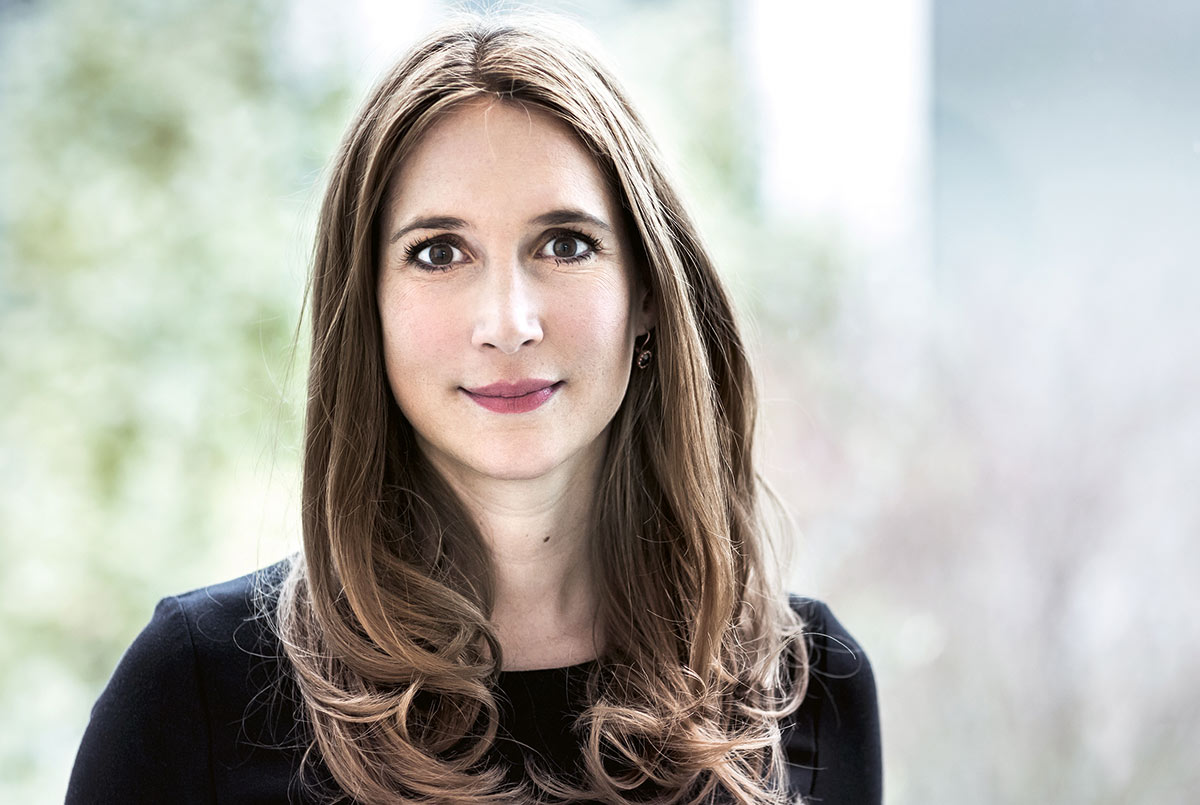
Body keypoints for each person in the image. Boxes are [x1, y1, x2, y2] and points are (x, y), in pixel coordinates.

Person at [66, 13, 881, 804]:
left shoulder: (808, 686)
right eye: (438, 252)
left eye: (565, 243)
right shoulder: (193, 694)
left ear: (646, 294)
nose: (508, 323)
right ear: (369, 306)